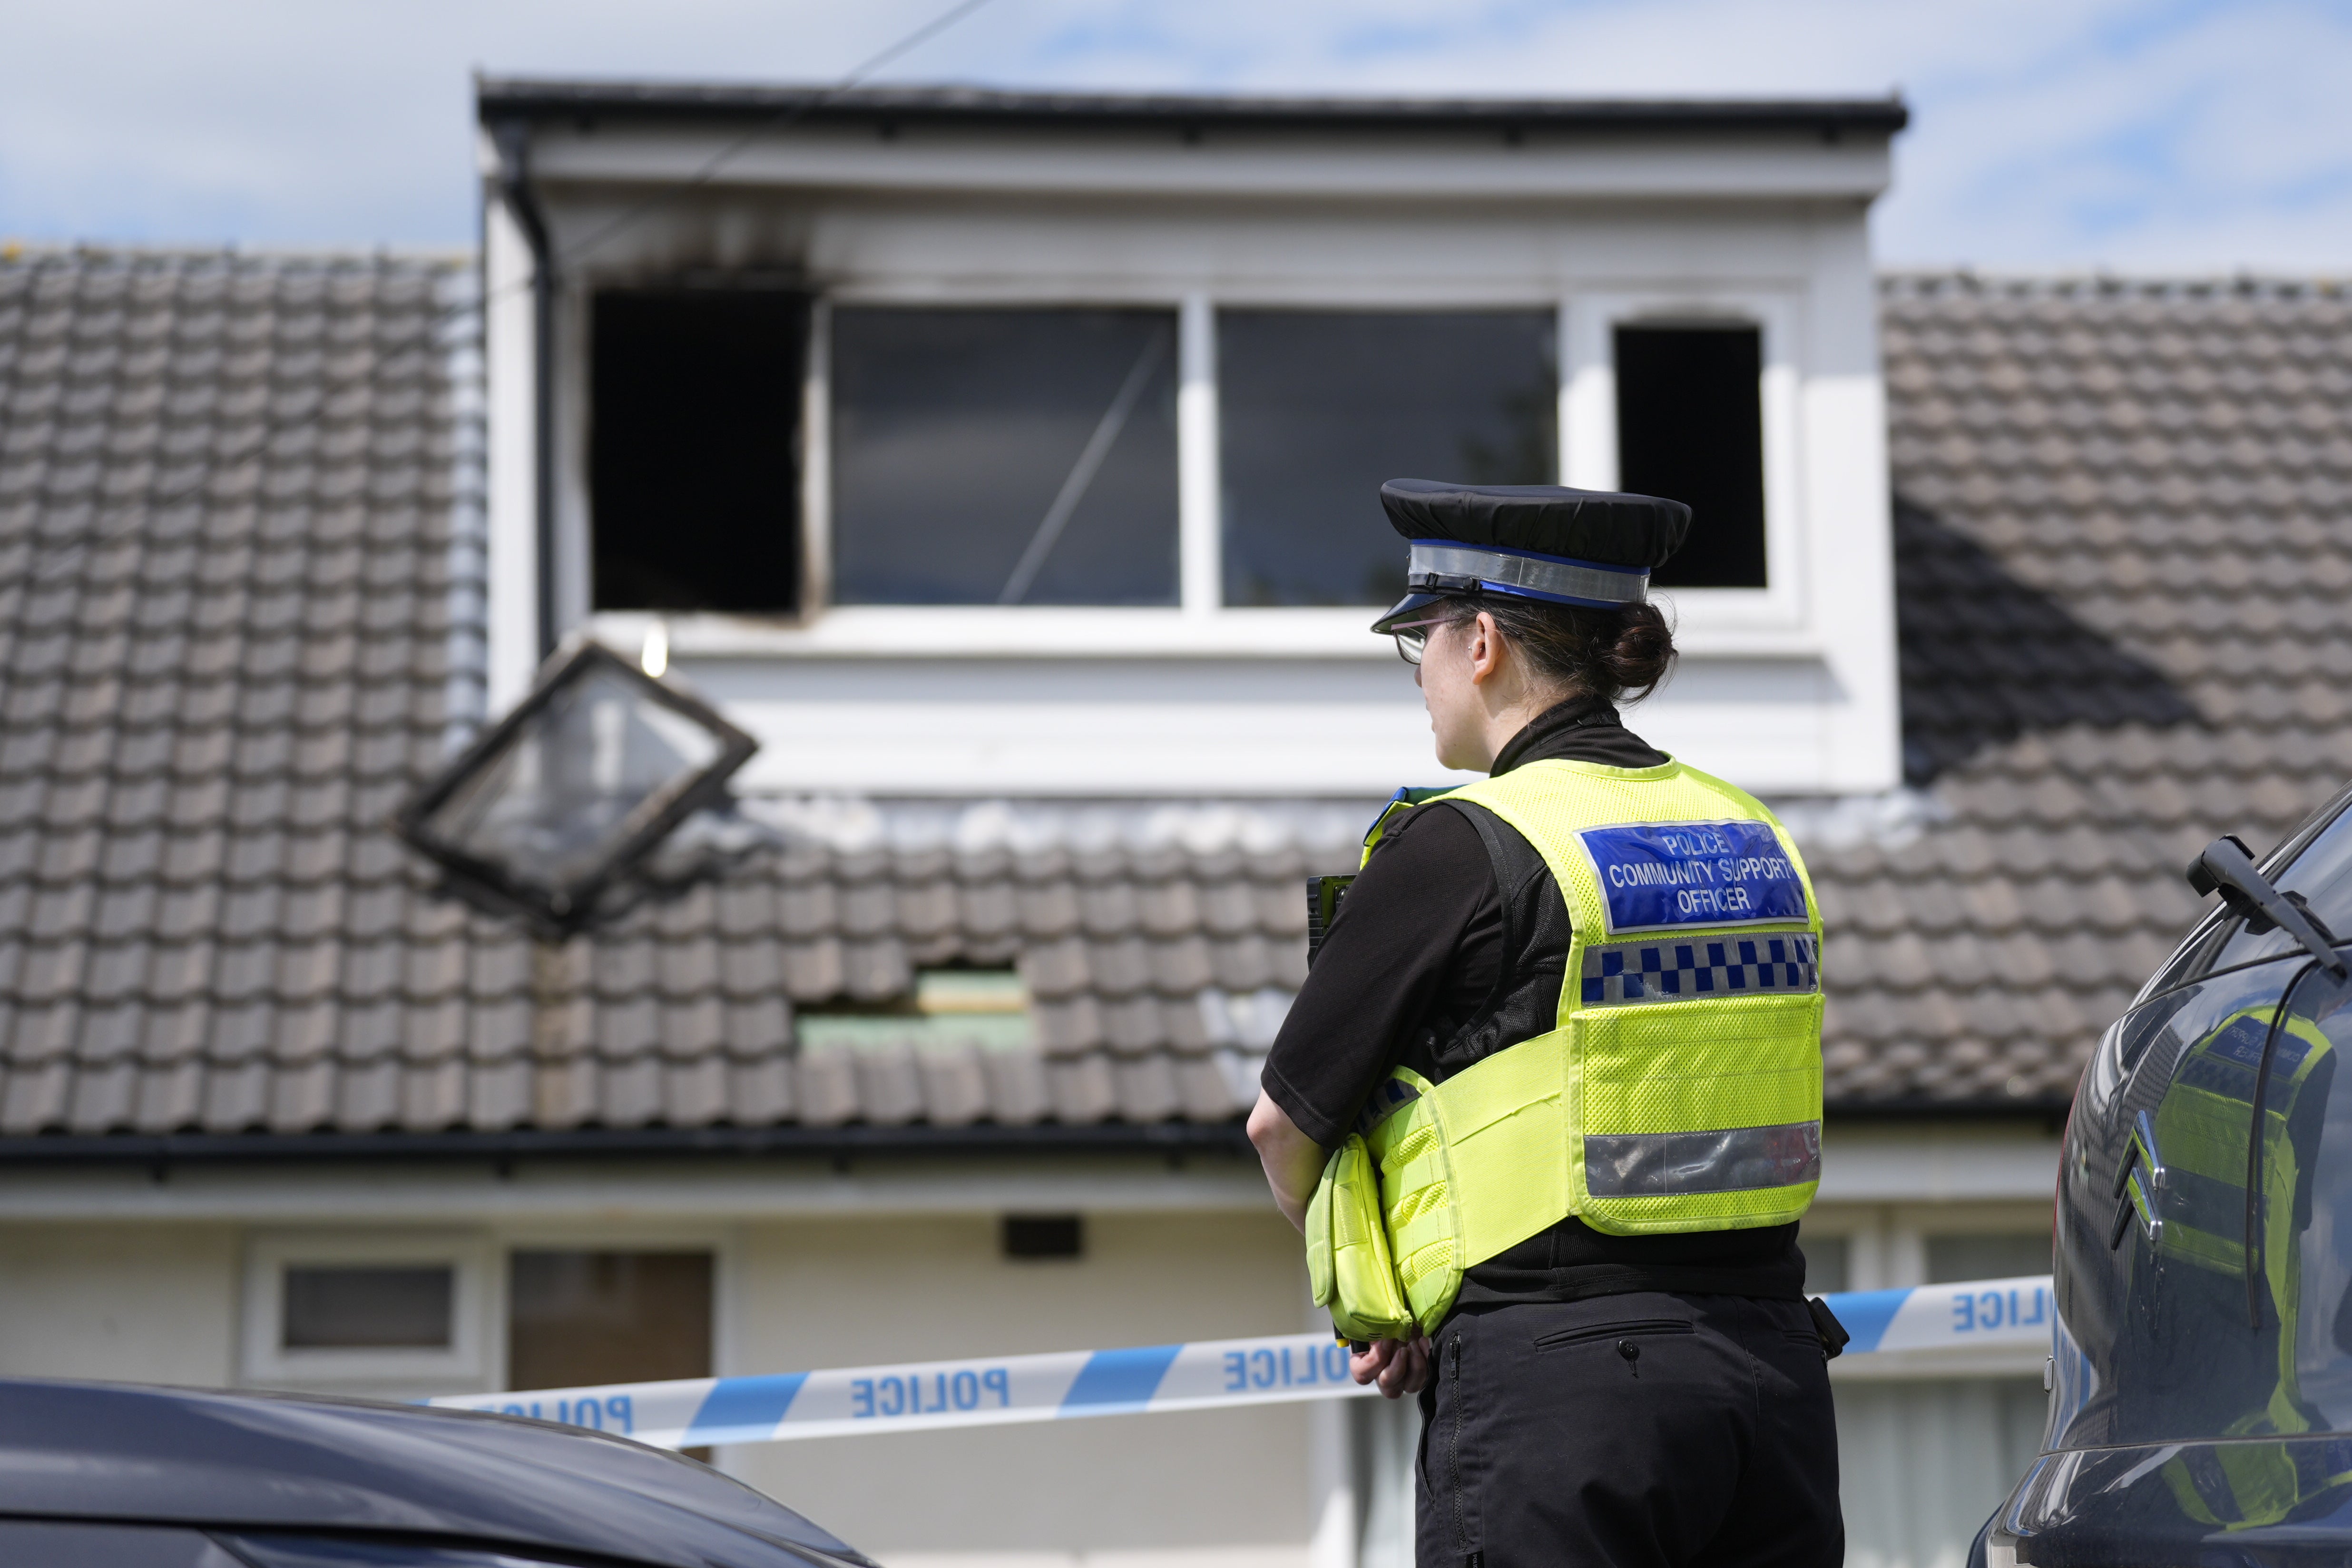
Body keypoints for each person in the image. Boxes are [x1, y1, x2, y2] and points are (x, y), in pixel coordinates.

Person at [1246, 478, 1842, 1568]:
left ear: (1480, 642)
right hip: (1772, 1385)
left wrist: (1382, 1304)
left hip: (1561, 1402)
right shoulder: (1749, 834)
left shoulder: (1458, 846)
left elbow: (1282, 1126)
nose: (1418, 676)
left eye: (1419, 640)